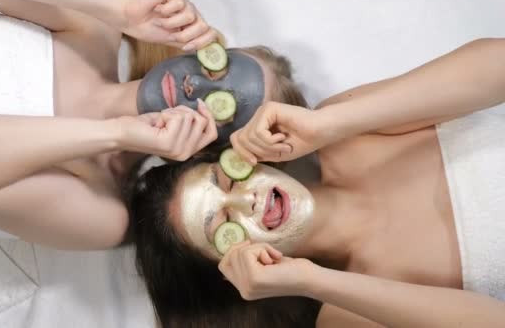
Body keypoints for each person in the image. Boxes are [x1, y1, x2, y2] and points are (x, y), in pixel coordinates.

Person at [128, 38, 505, 327]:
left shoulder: (343, 133)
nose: (248, 202)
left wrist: (329, 123)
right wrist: (311, 282)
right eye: (223, 227)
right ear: (232, 270)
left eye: (225, 181)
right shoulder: (340, 309)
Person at [0, 0, 305, 249]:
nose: (192, 87)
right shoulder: (93, 31)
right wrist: (121, 9)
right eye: (217, 68)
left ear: (209, 155)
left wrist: (114, 133)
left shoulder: (105, 213)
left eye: (224, 109)